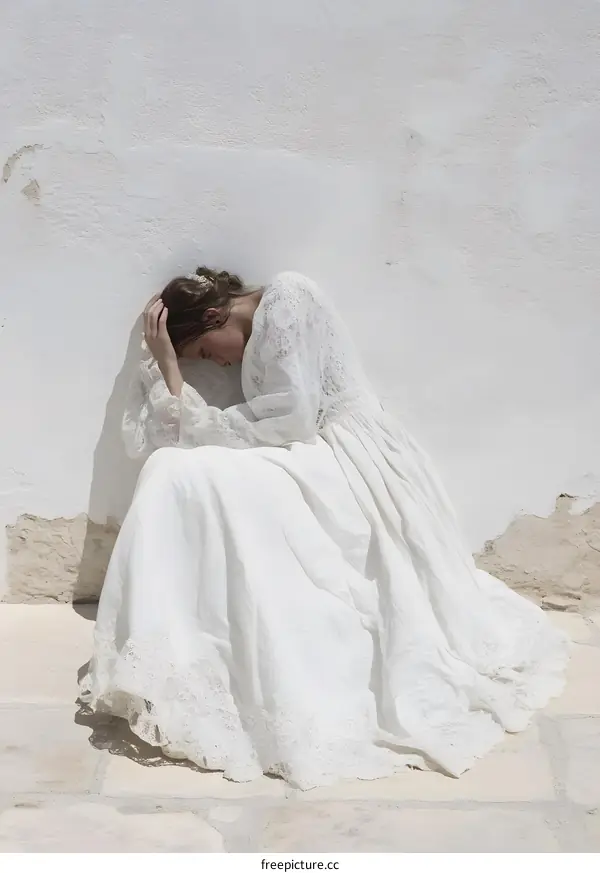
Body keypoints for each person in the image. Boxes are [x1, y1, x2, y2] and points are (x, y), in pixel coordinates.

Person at [80, 267, 567, 789]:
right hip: (304, 449)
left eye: (204, 350)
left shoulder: (289, 296)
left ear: (216, 315)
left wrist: (189, 396)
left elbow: (293, 418)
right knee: (174, 470)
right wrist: (169, 366)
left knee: (182, 472)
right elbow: (222, 429)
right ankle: (180, 647)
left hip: (347, 453)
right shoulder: (254, 328)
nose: (219, 363)